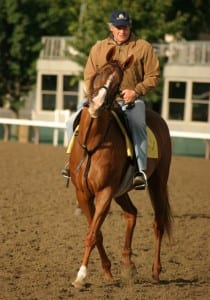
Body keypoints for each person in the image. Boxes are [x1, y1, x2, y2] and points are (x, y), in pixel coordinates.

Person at [62, 9, 160, 189]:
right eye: (118, 27)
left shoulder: (143, 47)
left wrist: (136, 91)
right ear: (111, 27)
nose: (122, 31)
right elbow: (89, 75)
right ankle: (72, 163)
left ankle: (140, 171)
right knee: (70, 123)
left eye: (126, 27)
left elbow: (153, 76)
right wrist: (95, 96)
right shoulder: (98, 48)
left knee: (138, 124)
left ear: (130, 27)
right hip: (99, 101)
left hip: (129, 101)